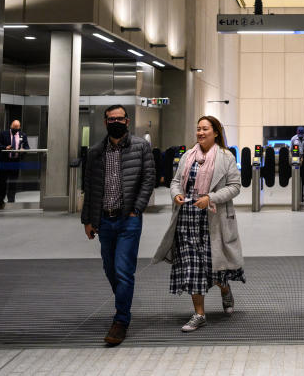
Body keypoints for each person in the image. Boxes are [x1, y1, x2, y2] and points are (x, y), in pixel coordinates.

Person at [154, 115, 244, 333]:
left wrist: (210, 198)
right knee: (192, 266)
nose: (201, 133)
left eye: (205, 129)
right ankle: (199, 314)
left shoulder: (225, 157)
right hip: (187, 219)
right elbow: (176, 181)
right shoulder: (188, 156)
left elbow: (235, 186)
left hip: (213, 219)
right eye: (198, 129)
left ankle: (225, 290)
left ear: (215, 132)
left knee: (214, 267)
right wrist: (176, 194)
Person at [81, 105, 155, 347]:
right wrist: (87, 220)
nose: (115, 121)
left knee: (123, 271)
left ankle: (121, 320)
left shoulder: (140, 147)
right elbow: (89, 186)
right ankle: (124, 301)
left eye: (119, 118)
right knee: (110, 269)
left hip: (128, 220)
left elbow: (148, 178)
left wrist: (137, 209)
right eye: (111, 118)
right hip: (103, 220)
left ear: (127, 120)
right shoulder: (94, 152)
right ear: (105, 122)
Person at [0, 119, 29, 209]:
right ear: (11, 126)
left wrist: (24, 150)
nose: (15, 128)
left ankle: (11, 201)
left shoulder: (23, 135)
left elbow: (27, 147)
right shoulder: (4, 134)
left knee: (13, 183)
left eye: (17, 127)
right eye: (14, 127)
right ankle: (0, 201)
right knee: (2, 182)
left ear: (19, 127)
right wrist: (5, 147)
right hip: (4, 162)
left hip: (15, 162)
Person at [290, 126, 304, 203]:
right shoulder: (293, 139)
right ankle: (300, 197)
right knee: (299, 180)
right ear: (297, 133)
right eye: (299, 135)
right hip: (297, 161)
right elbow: (291, 151)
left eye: (301, 135)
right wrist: (296, 159)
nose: (300, 137)